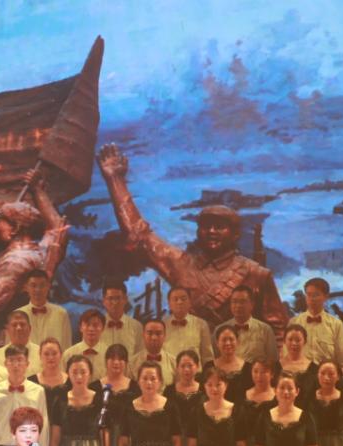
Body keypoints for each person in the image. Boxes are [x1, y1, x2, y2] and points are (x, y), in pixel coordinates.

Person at [97, 144, 288, 335]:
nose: (211, 231)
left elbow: (278, 329)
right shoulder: (181, 263)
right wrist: (115, 180)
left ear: (235, 234)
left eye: (219, 226)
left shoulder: (256, 274)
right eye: (206, 226)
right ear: (198, 231)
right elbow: (140, 235)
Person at [0, 168, 69, 315]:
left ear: (15, 229)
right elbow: (57, 228)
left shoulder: (13, 264)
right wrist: (37, 191)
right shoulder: (39, 254)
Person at [289, 277, 343, 366]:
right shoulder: (294, 322)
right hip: (300, 371)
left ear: (326, 297)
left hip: (326, 372)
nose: (312, 299)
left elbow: (341, 358)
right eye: (309, 294)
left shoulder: (336, 324)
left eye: (316, 295)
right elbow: (287, 354)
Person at [217, 286, 278, 364]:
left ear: (252, 304)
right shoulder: (220, 330)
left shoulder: (265, 330)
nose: (238, 305)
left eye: (242, 302)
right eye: (234, 302)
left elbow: (273, 360)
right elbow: (215, 360)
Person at [17, 269, 72, 349]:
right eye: (33, 285)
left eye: (42, 285)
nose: (38, 290)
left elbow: (66, 347)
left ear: (48, 286)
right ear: (26, 287)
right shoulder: (18, 315)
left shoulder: (61, 314)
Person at [163, 287, 214, 366]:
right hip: (169, 372)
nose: (179, 302)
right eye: (175, 299)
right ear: (169, 304)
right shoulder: (162, 326)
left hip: (195, 373)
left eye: (183, 299)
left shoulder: (201, 324)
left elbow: (207, 356)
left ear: (190, 302)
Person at [99, 281, 144, 357]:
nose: (114, 302)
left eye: (118, 298)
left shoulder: (137, 327)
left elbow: (140, 356)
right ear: (104, 301)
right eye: (110, 298)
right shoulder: (97, 327)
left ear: (125, 299)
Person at [29, 338, 70, 422]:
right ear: (40, 356)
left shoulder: (71, 382)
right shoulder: (30, 382)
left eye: (54, 353)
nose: (51, 357)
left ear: (61, 355)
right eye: (46, 354)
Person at [166, 350, 203, 440]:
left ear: (197, 366)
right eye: (182, 366)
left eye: (190, 365)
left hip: (199, 438)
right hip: (173, 438)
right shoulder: (169, 391)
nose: (186, 369)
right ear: (177, 368)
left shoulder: (204, 389)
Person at [209, 325, 250, 404]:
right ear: (217, 343)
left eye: (231, 339)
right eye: (224, 340)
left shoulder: (248, 368)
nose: (228, 343)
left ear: (237, 342)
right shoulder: (209, 366)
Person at [62, 309, 108, 380]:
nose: (91, 329)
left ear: (103, 328)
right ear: (80, 327)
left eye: (95, 325)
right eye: (87, 324)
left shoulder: (108, 354)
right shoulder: (68, 354)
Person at [0, 310, 40, 376]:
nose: (18, 328)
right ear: (7, 329)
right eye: (14, 325)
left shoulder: (42, 354)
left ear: (30, 328)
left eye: (22, 324)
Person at [280, 325, 318, 408]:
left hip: (307, 412)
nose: (294, 343)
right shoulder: (276, 367)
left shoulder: (314, 369)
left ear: (305, 341)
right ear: (284, 341)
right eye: (290, 339)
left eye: (298, 340)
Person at [129, 318, 175, 387]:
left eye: (158, 333)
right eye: (149, 333)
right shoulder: (131, 363)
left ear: (165, 336)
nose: (154, 337)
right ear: (143, 335)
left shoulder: (174, 363)